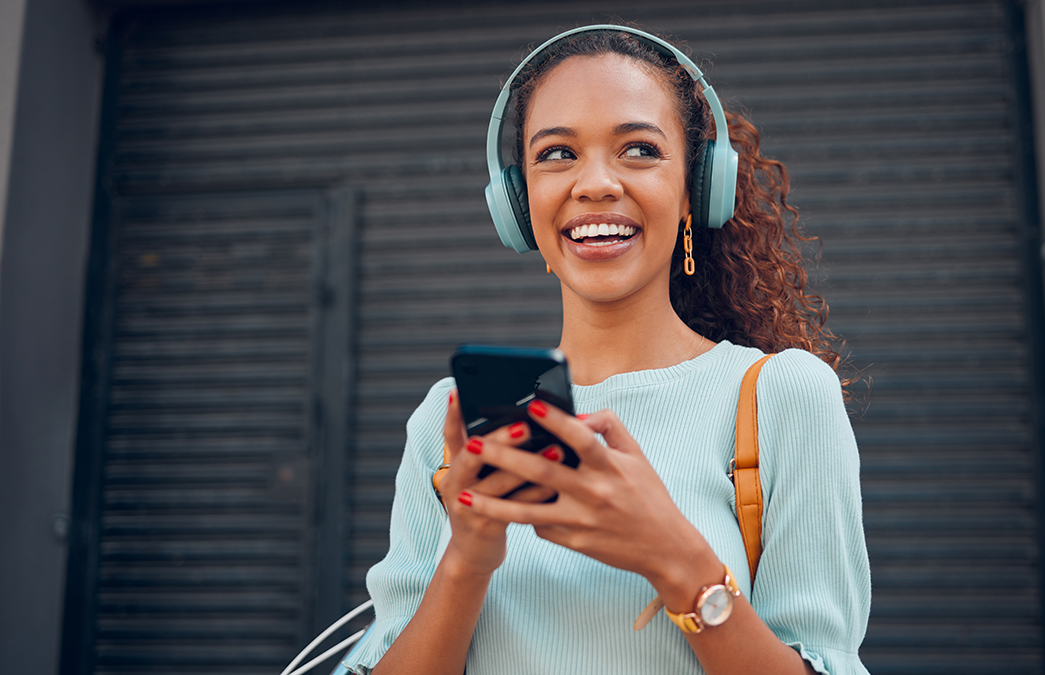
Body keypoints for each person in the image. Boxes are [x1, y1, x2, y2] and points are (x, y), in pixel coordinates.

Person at [352, 25, 870, 675]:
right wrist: (466, 559)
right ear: (520, 203)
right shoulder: (449, 420)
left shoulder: (781, 395)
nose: (595, 183)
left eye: (639, 149)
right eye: (557, 154)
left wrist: (674, 557)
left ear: (694, 190)